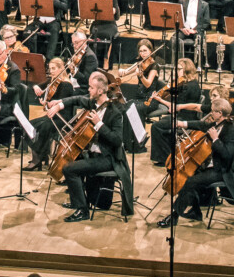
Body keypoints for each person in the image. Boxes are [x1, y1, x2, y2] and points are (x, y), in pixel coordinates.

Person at [46, 70, 133, 220]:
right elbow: (77, 99)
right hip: (92, 153)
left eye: (91, 88)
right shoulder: (93, 103)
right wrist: (59, 105)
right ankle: (80, 201)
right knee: (72, 159)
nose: (88, 90)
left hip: (107, 157)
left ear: (100, 91)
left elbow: (117, 140)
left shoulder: (115, 112)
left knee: (69, 169)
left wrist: (99, 124)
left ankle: (82, 210)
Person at [155, 96, 234, 228]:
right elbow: (202, 125)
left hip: (221, 170)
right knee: (190, 175)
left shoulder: (230, 130)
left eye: (213, 111)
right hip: (210, 165)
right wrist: (181, 123)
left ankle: (174, 216)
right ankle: (195, 212)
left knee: (190, 181)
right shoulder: (217, 123)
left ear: (220, 113)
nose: (211, 113)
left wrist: (216, 140)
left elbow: (227, 155)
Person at [148, 57, 205, 166]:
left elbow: (176, 106)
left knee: (156, 126)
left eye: (179, 69)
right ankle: (169, 153)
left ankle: (165, 158)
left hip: (185, 117)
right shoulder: (189, 83)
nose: (176, 71)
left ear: (186, 70)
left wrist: (160, 100)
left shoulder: (189, 87)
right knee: (162, 123)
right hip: (183, 114)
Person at [177, 0, 212, 64]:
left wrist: (195, 30)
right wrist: (182, 28)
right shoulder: (182, 2)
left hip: (196, 31)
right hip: (184, 29)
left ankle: (197, 65)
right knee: (174, 40)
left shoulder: (205, 5)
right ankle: (177, 63)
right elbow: (178, 18)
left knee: (199, 41)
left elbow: (206, 22)